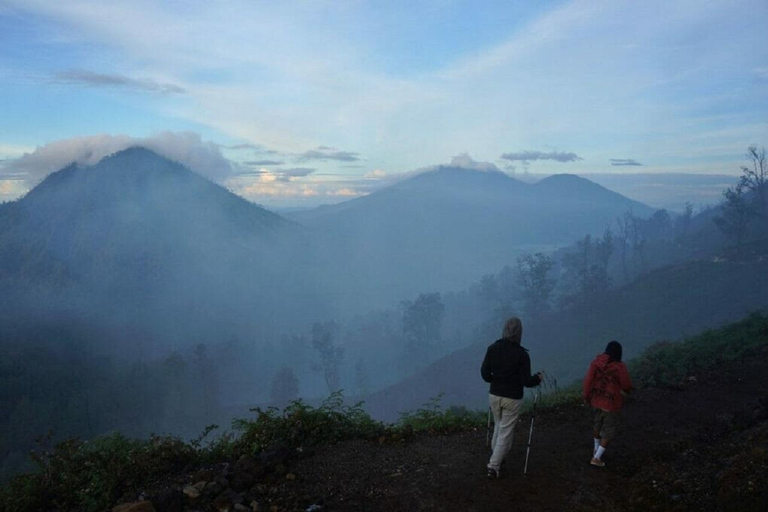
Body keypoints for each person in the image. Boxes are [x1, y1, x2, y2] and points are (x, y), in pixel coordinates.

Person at [480, 317, 543, 479]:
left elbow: (485, 373)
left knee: (499, 427)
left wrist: (494, 380)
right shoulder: (521, 354)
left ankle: (498, 460)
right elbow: (526, 381)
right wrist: (537, 378)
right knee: (505, 431)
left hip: (494, 395)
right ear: (520, 332)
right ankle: (493, 466)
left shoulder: (493, 348)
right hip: (512, 398)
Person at [582, 340, 633, 468]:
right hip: (611, 404)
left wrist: (587, 398)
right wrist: (626, 392)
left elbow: (588, 382)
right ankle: (597, 457)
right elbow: (627, 385)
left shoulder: (596, 363)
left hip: (596, 400)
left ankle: (595, 448)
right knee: (608, 432)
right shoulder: (619, 367)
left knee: (597, 425)